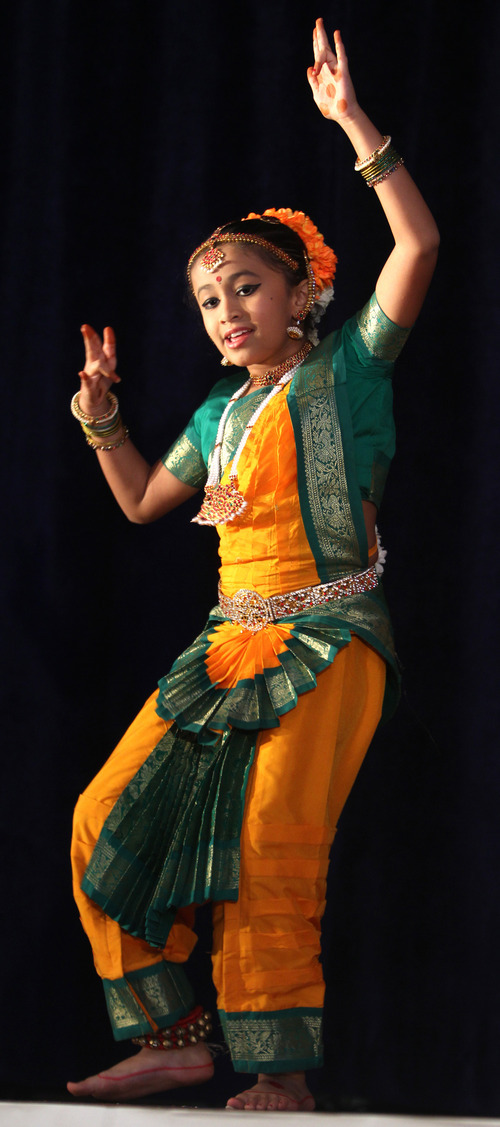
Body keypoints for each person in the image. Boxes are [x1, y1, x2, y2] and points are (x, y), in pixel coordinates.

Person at [67, 18, 439, 1112]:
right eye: (208, 300)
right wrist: (101, 424)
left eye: (243, 288)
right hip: (229, 644)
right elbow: (143, 500)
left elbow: (415, 249)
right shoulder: (215, 415)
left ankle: (279, 1071)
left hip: (333, 635)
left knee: (273, 832)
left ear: (298, 291)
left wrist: (351, 122)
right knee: (101, 810)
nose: (225, 312)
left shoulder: (348, 370)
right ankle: (175, 1035)